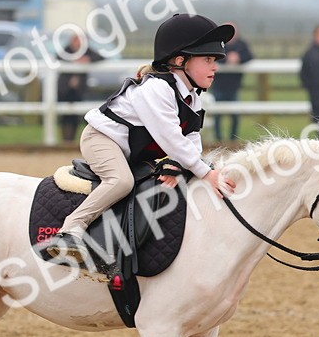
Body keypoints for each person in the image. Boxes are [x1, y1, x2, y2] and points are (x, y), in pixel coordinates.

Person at [43, 13, 235, 268]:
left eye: (216, 60)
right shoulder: (156, 89)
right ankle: (71, 230)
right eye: (208, 59)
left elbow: (191, 136)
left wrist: (179, 164)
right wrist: (205, 172)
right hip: (101, 139)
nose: (215, 67)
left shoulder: (191, 96)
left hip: (133, 150)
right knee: (121, 181)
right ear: (180, 61)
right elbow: (170, 136)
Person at [209, 22, 254, 141]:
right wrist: (226, 59)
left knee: (235, 115)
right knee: (217, 115)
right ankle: (218, 139)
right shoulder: (218, 43)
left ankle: (233, 139)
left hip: (234, 86)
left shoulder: (241, 44)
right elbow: (212, 58)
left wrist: (239, 58)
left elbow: (250, 56)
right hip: (218, 85)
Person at [56, 31, 102, 143]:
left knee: (81, 117)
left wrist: (87, 59)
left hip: (79, 91)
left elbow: (100, 57)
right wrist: (74, 61)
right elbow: (58, 57)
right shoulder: (67, 51)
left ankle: (82, 142)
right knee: (66, 117)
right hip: (65, 90)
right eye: (77, 40)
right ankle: (67, 141)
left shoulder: (86, 51)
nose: (79, 43)